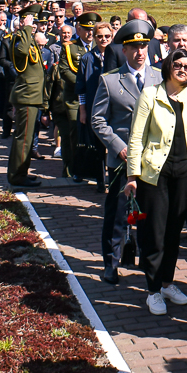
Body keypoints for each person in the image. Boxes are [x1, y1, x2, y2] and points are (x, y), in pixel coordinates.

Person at [125, 49, 187, 314]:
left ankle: (168, 282)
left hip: (185, 175)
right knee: (154, 233)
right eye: (178, 65)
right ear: (169, 66)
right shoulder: (151, 94)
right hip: (154, 175)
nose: (183, 70)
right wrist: (132, 175)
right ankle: (153, 289)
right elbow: (137, 138)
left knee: (174, 232)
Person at [91, 19, 162, 284]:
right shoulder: (110, 81)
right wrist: (118, 148)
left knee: (149, 213)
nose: (140, 52)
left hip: (153, 159)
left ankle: (146, 258)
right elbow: (98, 120)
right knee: (118, 213)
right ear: (124, 50)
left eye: (144, 46)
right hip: (122, 160)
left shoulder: (158, 77)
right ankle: (111, 261)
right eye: (134, 47)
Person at [7, 4, 48, 187]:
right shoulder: (18, 38)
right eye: (31, 20)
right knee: (23, 138)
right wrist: (26, 29)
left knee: (28, 138)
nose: (34, 24)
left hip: (33, 96)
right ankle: (16, 176)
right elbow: (22, 53)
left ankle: (22, 171)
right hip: (26, 96)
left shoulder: (28, 40)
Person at [76, 21, 114, 190]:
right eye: (100, 36)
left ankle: (113, 179)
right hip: (94, 107)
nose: (103, 39)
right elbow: (81, 88)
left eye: (107, 36)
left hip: (114, 107)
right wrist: (83, 110)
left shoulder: (118, 56)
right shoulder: (87, 58)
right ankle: (100, 180)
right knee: (97, 146)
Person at [50, 25, 84, 181]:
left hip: (76, 101)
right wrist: (46, 109)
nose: (66, 36)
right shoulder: (57, 52)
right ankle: (69, 170)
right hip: (63, 104)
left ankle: (79, 169)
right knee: (69, 137)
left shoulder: (81, 50)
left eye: (68, 33)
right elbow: (51, 85)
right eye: (63, 33)